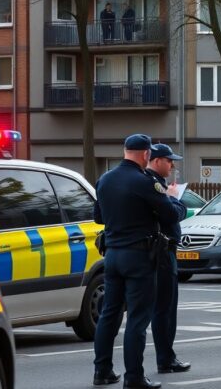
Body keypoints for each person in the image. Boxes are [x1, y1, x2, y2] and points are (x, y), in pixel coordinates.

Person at [92, 134, 186, 389]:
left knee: (109, 314)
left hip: (112, 254)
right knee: (137, 318)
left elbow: (98, 217)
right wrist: (173, 197)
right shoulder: (145, 182)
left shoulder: (105, 179)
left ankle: (102, 370)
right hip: (139, 256)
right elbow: (171, 214)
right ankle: (133, 376)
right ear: (146, 154)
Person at [146, 143, 191, 374]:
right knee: (165, 308)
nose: (172, 165)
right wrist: (174, 198)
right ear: (156, 161)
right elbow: (173, 215)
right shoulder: (154, 185)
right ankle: (166, 358)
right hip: (162, 252)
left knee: (160, 308)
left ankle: (166, 356)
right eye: (169, 160)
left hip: (154, 251)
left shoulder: (151, 182)